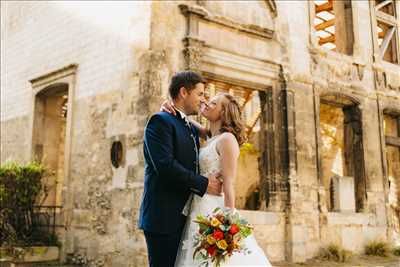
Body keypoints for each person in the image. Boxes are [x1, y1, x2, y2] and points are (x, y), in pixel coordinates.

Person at [162, 93, 272, 266]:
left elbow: (229, 184)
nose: (206, 102)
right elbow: (187, 121)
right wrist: (170, 108)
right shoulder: (210, 137)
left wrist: (227, 225)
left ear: (224, 112)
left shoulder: (227, 139)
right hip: (198, 206)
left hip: (214, 210)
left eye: (213, 103)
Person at [138, 71, 223, 267]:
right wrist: (204, 184)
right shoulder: (159, 121)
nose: (203, 101)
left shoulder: (188, 126)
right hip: (163, 218)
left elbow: (216, 132)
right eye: (200, 94)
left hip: (185, 218)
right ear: (184, 92)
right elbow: (165, 167)